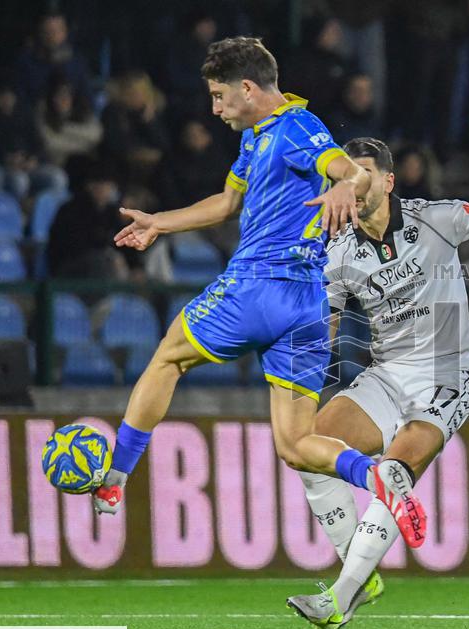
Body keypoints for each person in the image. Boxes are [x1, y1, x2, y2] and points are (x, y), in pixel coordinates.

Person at [91, 38, 416, 533]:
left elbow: (349, 171)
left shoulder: (296, 127)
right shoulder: (257, 136)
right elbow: (225, 204)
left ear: (247, 88)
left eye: (220, 96)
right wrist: (161, 222)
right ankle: (376, 474)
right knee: (295, 445)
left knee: (167, 359)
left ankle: (116, 476)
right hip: (307, 305)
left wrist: (346, 185)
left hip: (257, 285)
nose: (214, 108)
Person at [285, 137, 469, 629]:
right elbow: (328, 330)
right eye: (343, 175)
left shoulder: (437, 217)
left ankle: (340, 597)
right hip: (386, 373)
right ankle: (359, 572)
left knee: (393, 470)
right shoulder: (336, 251)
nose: (351, 184)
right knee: (305, 448)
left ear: (387, 182)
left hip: (446, 374)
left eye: (361, 174)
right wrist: (297, 367)